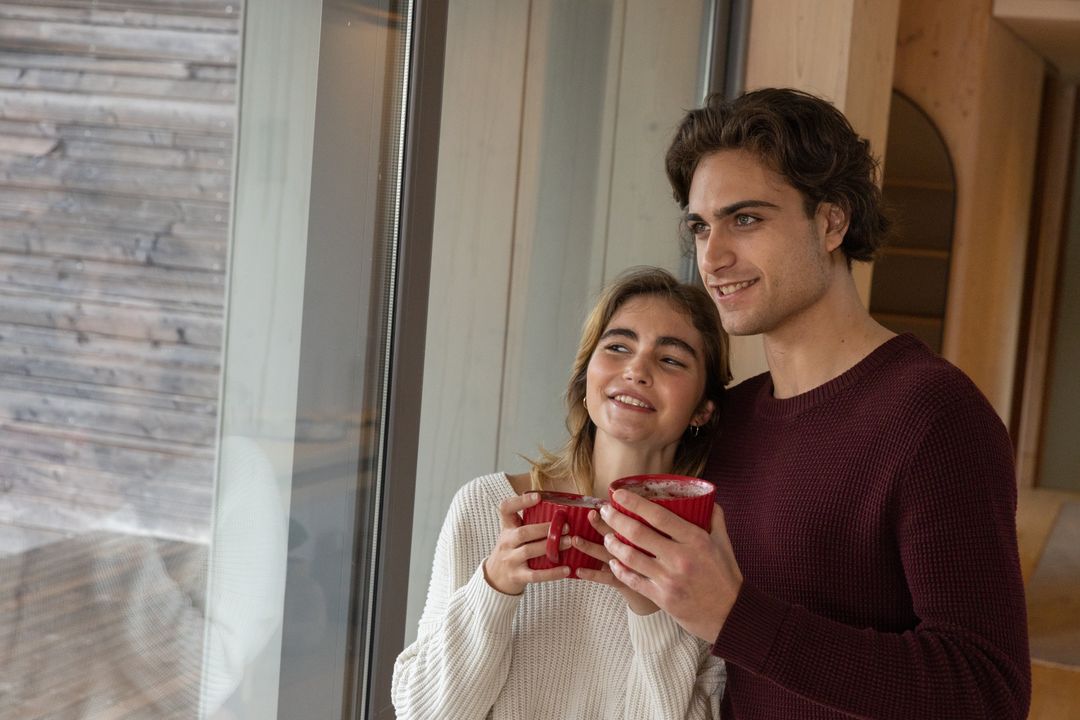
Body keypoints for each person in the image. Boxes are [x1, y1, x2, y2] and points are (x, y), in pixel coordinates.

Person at [598, 88, 1031, 719]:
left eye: (745, 219)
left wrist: (735, 615)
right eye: (700, 225)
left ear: (831, 222)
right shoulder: (731, 417)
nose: (712, 257)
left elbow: (987, 692)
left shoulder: (935, 416)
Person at [392, 267, 730, 719]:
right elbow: (422, 713)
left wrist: (652, 614)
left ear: (703, 410)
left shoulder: (705, 549)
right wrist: (494, 586)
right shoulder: (486, 507)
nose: (636, 369)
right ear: (585, 379)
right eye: (617, 347)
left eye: (670, 359)